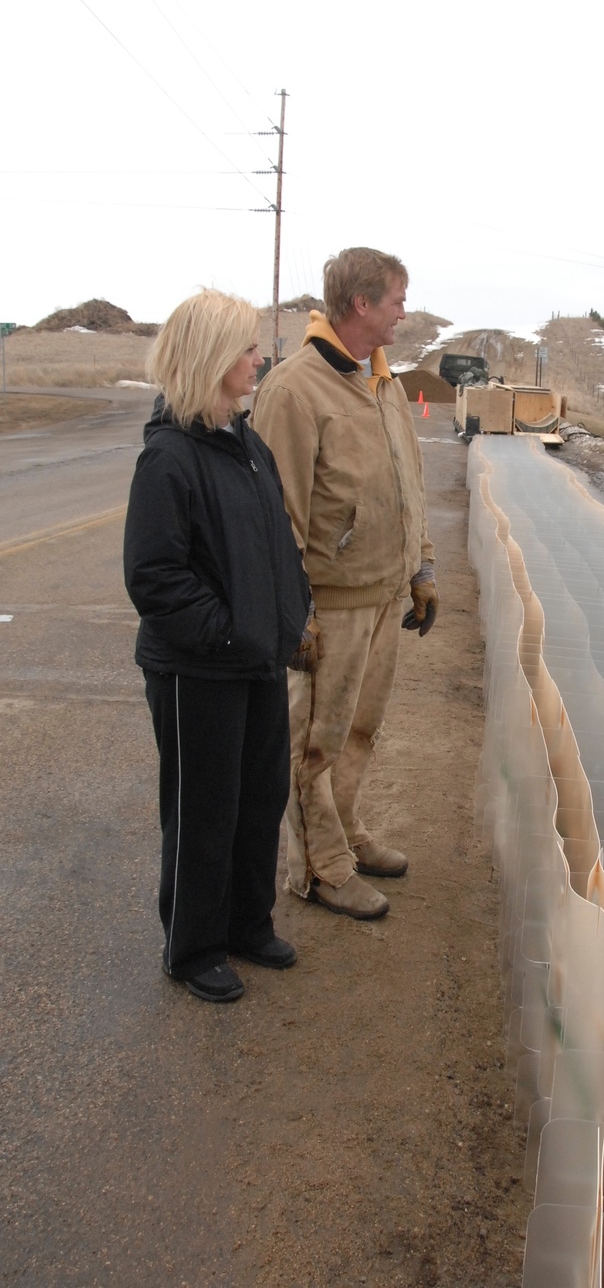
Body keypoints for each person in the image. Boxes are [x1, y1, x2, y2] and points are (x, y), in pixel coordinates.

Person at [124, 290, 311, 1003]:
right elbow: (155, 578)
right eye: (245, 347)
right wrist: (227, 631)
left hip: (257, 658)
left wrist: (290, 616)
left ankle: (244, 923)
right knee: (203, 808)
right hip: (198, 668)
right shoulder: (169, 459)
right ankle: (193, 946)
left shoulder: (245, 442)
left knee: (259, 796)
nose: (258, 357)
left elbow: (274, 545)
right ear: (210, 359)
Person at [251, 246, 437, 920]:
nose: (403, 311)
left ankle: (346, 832)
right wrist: (294, 616)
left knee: (361, 731)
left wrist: (421, 567)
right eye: (396, 299)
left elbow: (408, 485)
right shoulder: (295, 390)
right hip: (329, 609)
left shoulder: (382, 381)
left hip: (384, 597)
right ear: (359, 303)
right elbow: (277, 519)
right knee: (315, 743)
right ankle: (320, 868)